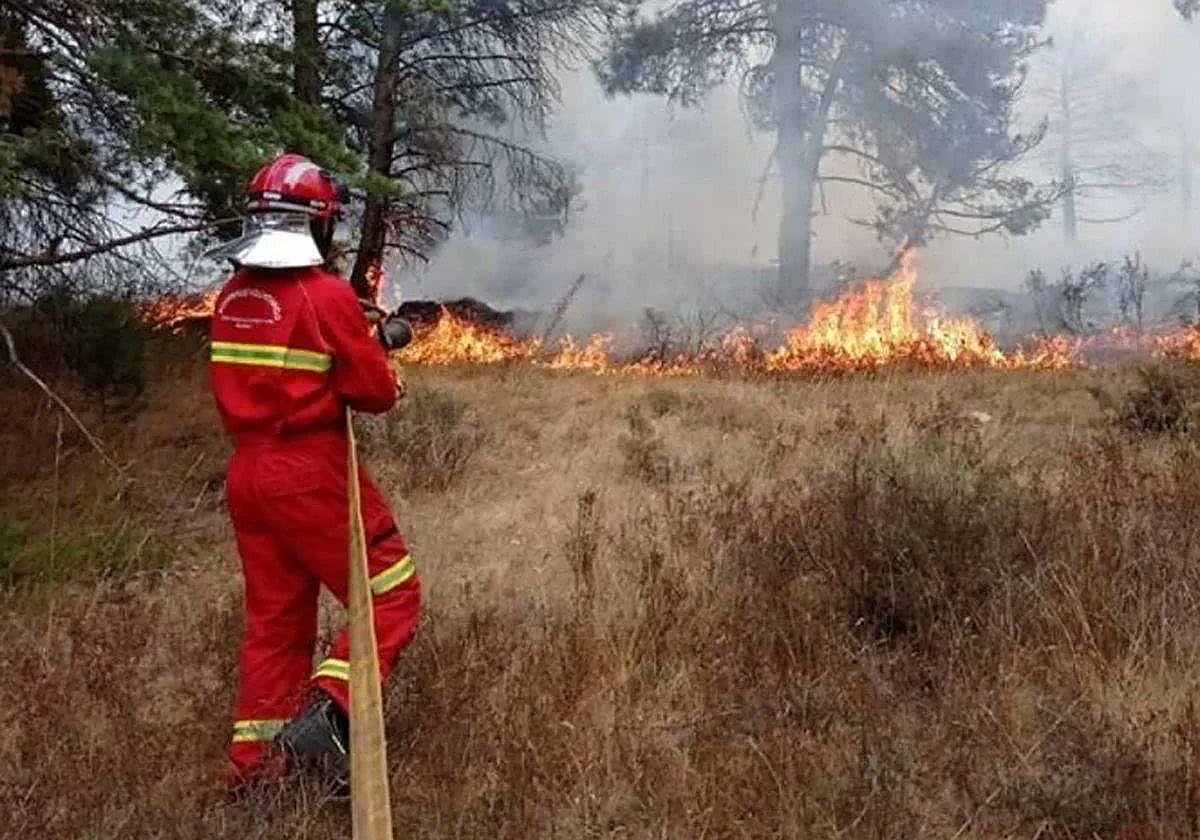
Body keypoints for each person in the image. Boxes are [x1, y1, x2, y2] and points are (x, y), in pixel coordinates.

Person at [205, 153, 419, 790]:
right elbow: (372, 393)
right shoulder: (324, 295)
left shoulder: (232, 295)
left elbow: (289, 367)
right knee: (390, 592)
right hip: (308, 471)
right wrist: (384, 366)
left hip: (248, 473)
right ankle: (328, 715)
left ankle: (255, 771)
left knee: (276, 623)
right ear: (317, 224)